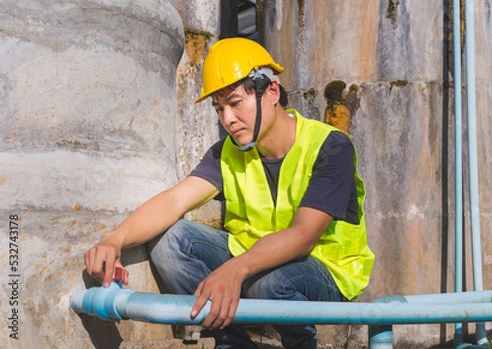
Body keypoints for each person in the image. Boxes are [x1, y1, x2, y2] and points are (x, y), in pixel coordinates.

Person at [84, 37, 374, 349]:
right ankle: (231, 342)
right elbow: (174, 200)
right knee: (170, 239)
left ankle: (301, 344)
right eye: (219, 108)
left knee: (270, 282)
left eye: (235, 103)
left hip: (324, 270)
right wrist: (115, 238)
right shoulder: (227, 152)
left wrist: (235, 270)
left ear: (272, 92)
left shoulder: (330, 146)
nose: (227, 120)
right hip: (253, 260)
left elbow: (304, 235)